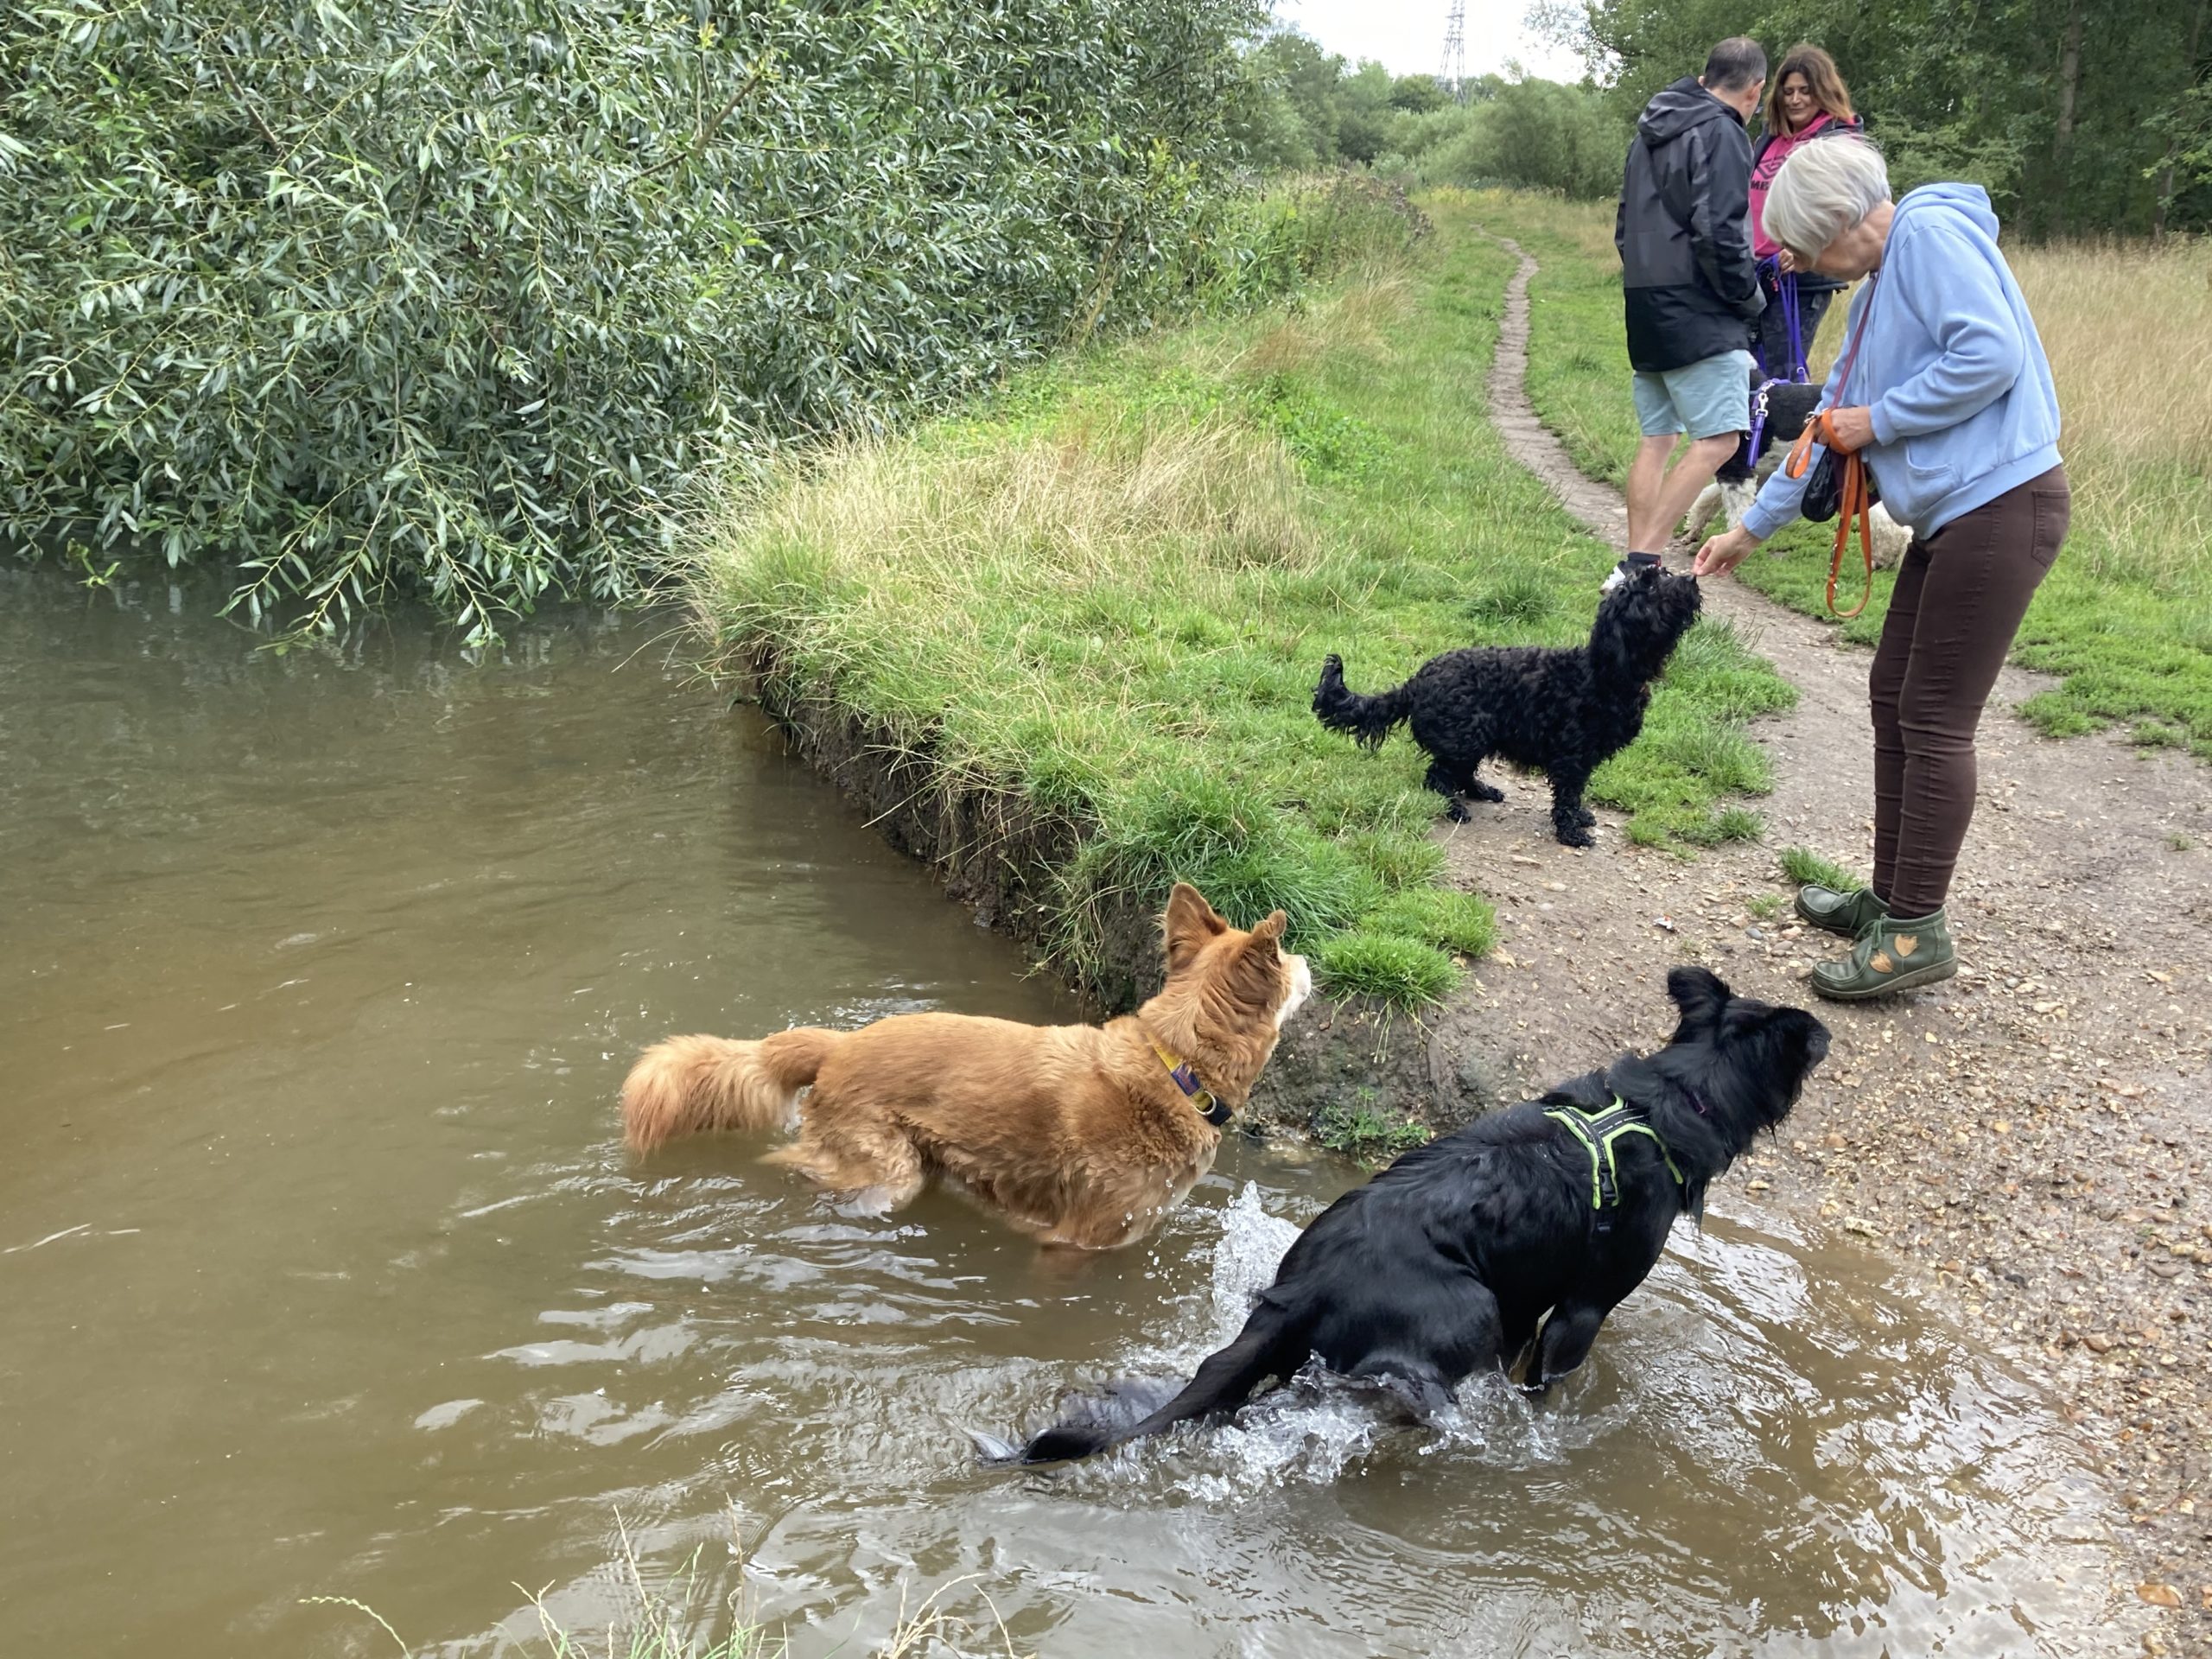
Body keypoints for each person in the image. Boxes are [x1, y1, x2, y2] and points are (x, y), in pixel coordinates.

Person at [1694, 138, 2068, 1002]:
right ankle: (1890, 901)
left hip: (2001, 504)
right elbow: (1828, 422)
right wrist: (1749, 530)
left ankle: (1914, 931)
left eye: (1794, 241)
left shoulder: (1929, 232)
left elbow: (1989, 356)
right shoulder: (1874, 292)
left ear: (1833, 221)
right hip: (1960, 513)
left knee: (1934, 717)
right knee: (1891, 693)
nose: (1790, 259)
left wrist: (1880, 422)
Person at [1612, 36, 1767, 586]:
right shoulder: (1723, 131)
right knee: (1721, 440)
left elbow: (1624, 225)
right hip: (1700, 308)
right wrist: (1749, 298)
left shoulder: (1650, 131)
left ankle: (1635, 564)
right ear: (1755, 90)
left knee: (1658, 440)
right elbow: (1720, 232)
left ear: (1705, 78)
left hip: (1646, 300)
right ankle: (1639, 564)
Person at [1747, 45, 1864, 379]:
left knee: (1781, 377)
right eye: (1788, 92)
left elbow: (1844, 208)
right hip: (1757, 274)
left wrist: (1801, 247)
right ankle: (1749, 434)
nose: (1795, 99)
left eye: (1805, 91)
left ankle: (1789, 433)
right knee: (1747, 373)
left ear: (1823, 91)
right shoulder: (1771, 137)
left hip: (1801, 279)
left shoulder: (1839, 139)